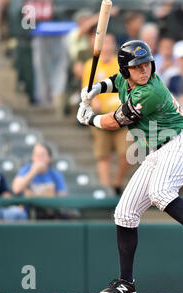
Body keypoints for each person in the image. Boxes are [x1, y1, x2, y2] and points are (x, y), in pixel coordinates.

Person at [77, 40, 183, 293]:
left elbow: (116, 121)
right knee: (124, 213)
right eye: (137, 67)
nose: (144, 70)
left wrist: (89, 118)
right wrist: (95, 89)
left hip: (182, 142)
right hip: (160, 150)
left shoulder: (150, 91)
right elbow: (115, 80)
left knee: (161, 191)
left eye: (147, 64)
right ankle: (126, 283)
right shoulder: (127, 78)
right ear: (128, 70)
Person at [81, 34, 130, 194]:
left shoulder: (120, 64)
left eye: (109, 42)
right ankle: (106, 188)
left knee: (126, 153)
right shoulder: (90, 65)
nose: (107, 46)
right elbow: (87, 89)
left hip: (122, 116)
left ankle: (116, 184)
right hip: (101, 116)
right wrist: (94, 102)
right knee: (103, 154)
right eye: (104, 43)